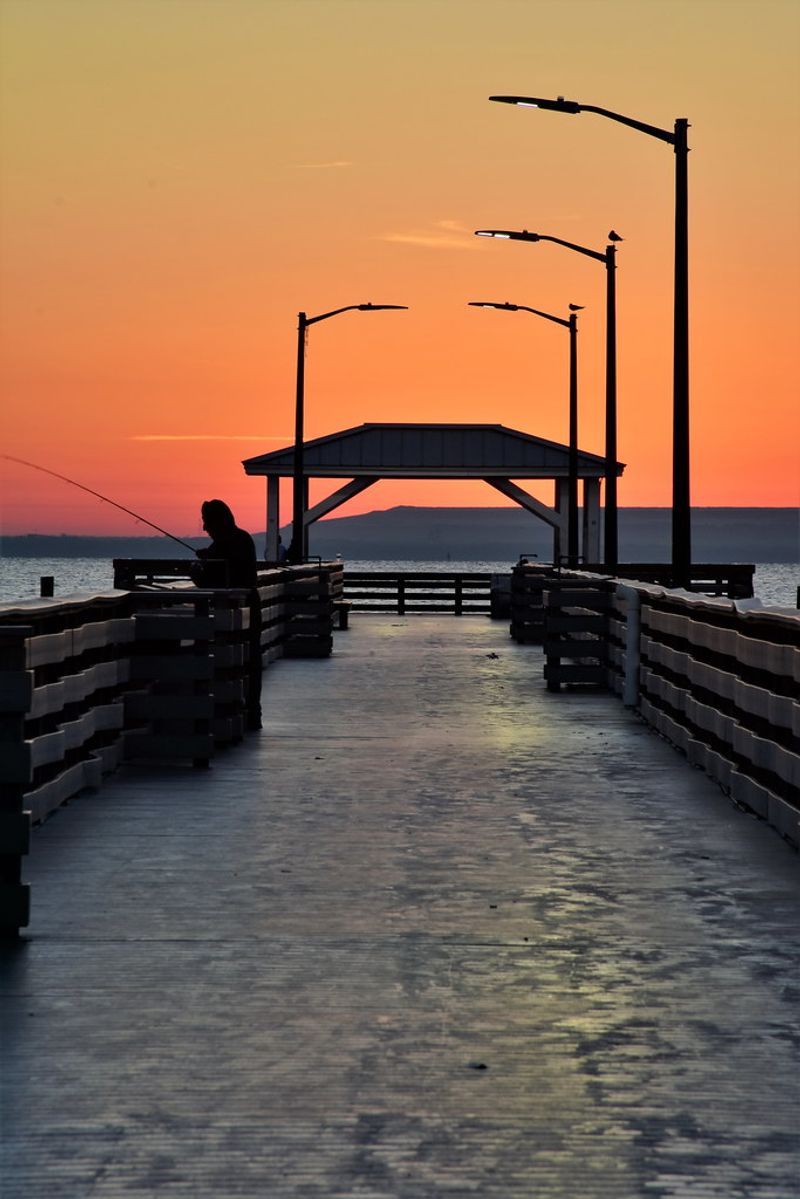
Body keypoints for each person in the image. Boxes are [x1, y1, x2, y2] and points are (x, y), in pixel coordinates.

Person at [194, 499, 262, 730]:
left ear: (217, 521)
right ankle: (251, 713)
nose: (204, 528)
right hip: (252, 606)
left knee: (235, 661)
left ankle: (228, 716)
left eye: (206, 522)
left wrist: (196, 572)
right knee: (251, 660)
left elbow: (211, 583)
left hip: (234, 612)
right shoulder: (244, 539)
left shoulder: (222, 547)